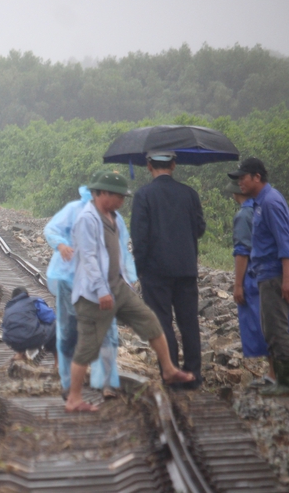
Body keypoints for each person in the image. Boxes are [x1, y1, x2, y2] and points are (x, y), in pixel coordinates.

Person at [67, 171, 194, 412]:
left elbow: (117, 253)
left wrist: (127, 279)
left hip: (118, 287)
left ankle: (168, 370)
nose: (122, 201)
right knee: (87, 347)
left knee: (150, 321)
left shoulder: (112, 216)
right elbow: (89, 258)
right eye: (119, 196)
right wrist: (102, 290)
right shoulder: (87, 219)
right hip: (94, 294)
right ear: (104, 194)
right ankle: (74, 398)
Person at [131, 151, 206, 389]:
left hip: (155, 271)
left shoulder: (143, 195)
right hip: (186, 268)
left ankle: (170, 373)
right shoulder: (189, 194)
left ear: (148, 166)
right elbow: (200, 228)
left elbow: (139, 238)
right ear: (173, 165)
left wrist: (138, 269)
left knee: (162, 322)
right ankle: (193, 374)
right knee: (189, 322)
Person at [44, 181, 125, 399]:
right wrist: (61, 244)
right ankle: (69, 383)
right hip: (69, 280)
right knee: (69, 333)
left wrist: (125, 276)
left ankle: (107, 383)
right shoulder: (73, 210)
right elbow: (52, 229)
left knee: (106, 333)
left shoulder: (114, 217)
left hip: (102, 283)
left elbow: (120, 249)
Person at [229, 158, 289, 396]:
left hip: (274, 275)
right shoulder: (261, 203)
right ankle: (279, 379)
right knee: (270, 329)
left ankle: (287, 383)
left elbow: (285, 241)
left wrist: (288, 277)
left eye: (243, 177)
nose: (240, 182)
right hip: (265, 274)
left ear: (257, 177)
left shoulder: (270, 202)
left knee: (277, 328)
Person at [2, 287, 56, 360]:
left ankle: (20, 353)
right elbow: (50, 317)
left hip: (12, 342)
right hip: (30, 338)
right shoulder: (33, 301)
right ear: (27, 295)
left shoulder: (9, 308)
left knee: (20, 330)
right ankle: (58, 363)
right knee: (56, 328)